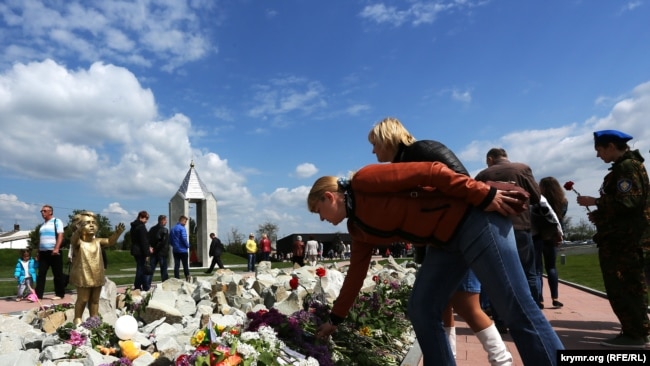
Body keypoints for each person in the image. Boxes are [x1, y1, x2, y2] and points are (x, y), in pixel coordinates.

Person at [308, 162, 563, 365]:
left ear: (330, 197)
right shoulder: (357, 229)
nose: (321, 219)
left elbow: (432, 172)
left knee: (514, 305)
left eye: (318, 210)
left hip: (473, 218)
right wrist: (335, 319)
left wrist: (482, 194)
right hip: (445, 243)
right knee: (421, 307)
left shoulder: (364, 180)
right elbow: (355, 276)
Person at [368, 117, 511, 364]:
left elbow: (460, 184)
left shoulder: (421, 152)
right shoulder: (409, 158)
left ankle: (502, 360)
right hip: (442, 241)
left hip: (456, 237)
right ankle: (450, 356)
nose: (373, 150)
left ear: (386, 139)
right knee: (443, 305)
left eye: (375, 144)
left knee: (468, 306)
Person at [576, 129, 650, 348]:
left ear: (610, 146)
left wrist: (597, 201)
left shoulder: (626, 168)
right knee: (630, 285)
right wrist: (600, 214)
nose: (599, 155)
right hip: (625, 237)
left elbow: (629, 203)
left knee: (625, 286)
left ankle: (635, 334)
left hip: (624, 241)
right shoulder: (630, 166)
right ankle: (635, 330)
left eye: (599, 150)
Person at [475, 147, 541, 331]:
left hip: (494, 229)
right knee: (529, 273)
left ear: (490, 158)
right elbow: (536, 197)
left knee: (498, 275)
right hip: (521, 226)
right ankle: (534, 317)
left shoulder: (482, 175)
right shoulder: (522, 169)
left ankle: (502, 320)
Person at [69, 211, 125, 325]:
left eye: (93, 223)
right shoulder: (78, 243)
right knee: (83, 299)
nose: (91, 225)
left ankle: (94, 320)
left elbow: (110, 241)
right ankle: (77, 319)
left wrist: (117, 233)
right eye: (87, 223)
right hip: (83, 276)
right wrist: (78, 231)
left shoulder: (98, 241)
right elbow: (73, 240)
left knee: (95, 301)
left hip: (97, 276)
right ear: (78, 226)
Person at [537, 177, 568, 308]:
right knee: (551, 267)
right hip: (553, 235)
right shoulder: (563, 202)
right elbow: (560, 218)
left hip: (539, 235)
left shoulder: (538, 200)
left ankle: (540, 300)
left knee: (537, 269)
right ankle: (555, 298)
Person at [35, 205, 66, 300]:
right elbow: (40, 239)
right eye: (41, 211)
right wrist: (38, 253)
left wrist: (56, 248)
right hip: (43, 252)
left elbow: (60, 235)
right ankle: (38, 295)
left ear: (50, 212)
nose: (42, 213)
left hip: (54, 252)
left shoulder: (57, 221)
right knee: (41, 274)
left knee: (57, 274)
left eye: (44, 211)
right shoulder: (42, 225)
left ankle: (59, 294)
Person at [129, 210, 151, 291]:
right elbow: (144, 241)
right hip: (140, 250)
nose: (146, 220)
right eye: (146, 218)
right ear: (141, 217)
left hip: (135, 249)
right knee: (141, 269)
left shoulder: (134, 226)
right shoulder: (141, 227)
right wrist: (147, 254)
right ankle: (139, 285)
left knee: (140, 268)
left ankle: (139, 285)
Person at [147, 215, 170, 284]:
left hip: (153, 252)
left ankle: (147, 284)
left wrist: (151, 248)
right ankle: (165, 284)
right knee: (163, 270)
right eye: (165, 220)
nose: (166, 222)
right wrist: (157, 249)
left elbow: (148, 239)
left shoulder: (152, 229)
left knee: (151, 269)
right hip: (162, 252)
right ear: (162, 220)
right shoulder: (164, 230)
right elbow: (163, 242)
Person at [170, 215, 191, 281]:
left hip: (175, 250)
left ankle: (176, 278)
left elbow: (170, 240)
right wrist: (188, 245)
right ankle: (187, 278)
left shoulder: (172, 228)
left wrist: (174, 245)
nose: (185, 223)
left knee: (176, 265)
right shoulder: (182, 228)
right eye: (185, 221)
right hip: (183, 250)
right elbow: (184, 238)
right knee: (185, 265)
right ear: (182, 221)